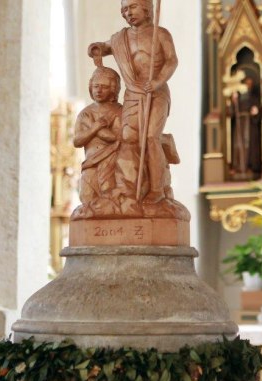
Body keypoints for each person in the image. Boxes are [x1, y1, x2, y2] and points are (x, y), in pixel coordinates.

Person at [87, 0, 180, 210]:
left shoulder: (160, 34)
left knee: (150, 138)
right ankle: (129, 187)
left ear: (146, 8)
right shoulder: (121, 37)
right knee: (128, 139)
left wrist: (157, 82)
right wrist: (96, 48)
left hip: (156, 93)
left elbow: (172, 61)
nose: (128, 13)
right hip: (133, 93)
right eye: (125, 10)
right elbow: (107, 47)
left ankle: (157, 189)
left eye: (133, 7)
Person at [72, 67, 123, 219]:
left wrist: (100, 131)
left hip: (112, 160)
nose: (99, 91)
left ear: (113, 89)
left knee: (110, 198)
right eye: (96, 86)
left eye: (104, 87)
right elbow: (77, 141)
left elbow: (117, 138)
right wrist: (95, 127)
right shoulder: (85, 113)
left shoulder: (120, 111)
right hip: (91, 163)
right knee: (87, 196)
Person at [227, 71, 262, 180]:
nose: (248, 85)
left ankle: (250, 166)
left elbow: (258, 109)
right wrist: (233, 102)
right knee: (238, 144)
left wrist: (255, 111)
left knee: (250, 145)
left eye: (250, 84)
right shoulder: (237, 97)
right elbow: (230, 113)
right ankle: (238, 166)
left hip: (250, 124)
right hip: (240, 123)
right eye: (246, 83)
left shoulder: (254, 98)